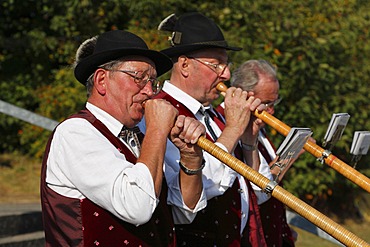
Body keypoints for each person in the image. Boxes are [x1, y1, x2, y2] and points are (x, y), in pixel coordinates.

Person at [40, 30, 207, 246]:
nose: (149, 91)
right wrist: (157, 130)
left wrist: (190, 159)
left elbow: (183, 213)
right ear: (102, 80)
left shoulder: (138, 137)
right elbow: (137, 207)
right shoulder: (75, 133)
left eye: (153, 82)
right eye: (139, 78)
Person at [142, 12, 270, 246]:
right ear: (185, 65)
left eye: (226, 64)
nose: (227, 74)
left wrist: (249, 139)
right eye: (217, 64)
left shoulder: (214, 115)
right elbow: (205, 185)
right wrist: (233, 129)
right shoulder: (161, 113)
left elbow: (261, 192)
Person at [229, 59, 300, 246]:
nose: (271, 110)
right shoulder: (227, 128)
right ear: (244, 94)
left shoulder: (260, 128)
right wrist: (290, 157)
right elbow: (258, 188)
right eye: (267, 103)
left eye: (275, 102)